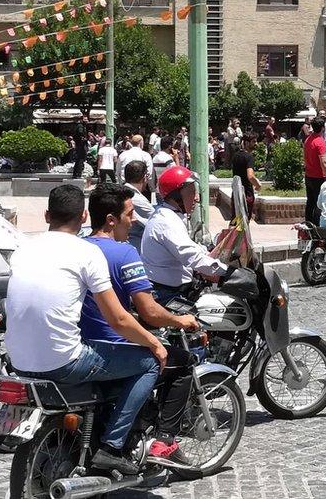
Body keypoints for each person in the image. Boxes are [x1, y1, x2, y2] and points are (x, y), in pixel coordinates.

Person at [3, 185, 168, 475]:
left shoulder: (22, 249)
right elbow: (118, 319)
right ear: (83, 216)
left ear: (46, 215)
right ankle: (111, 447)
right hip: (64, 361)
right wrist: (153, 342)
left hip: (17, 361)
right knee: (149, 363)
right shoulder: (87, 252)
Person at [80, 183, 201, 465]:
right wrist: (180, 320)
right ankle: (163, 441)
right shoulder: (125, 254)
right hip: (111, 345)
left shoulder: (79, 247)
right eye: (130, 214)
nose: (134, 221)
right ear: (112, 219)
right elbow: (149, 312)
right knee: (179, 361)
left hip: (80, 345)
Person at [142, 166, 231, 304]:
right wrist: (230, 273)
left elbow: (190, 247)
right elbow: (191, 256)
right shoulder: (166, 222)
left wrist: (208, 250)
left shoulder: (170, 215)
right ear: (176, 196)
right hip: (166, 294)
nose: (196, 198)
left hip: (175, 288)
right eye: (191, 192)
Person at [303, 117, 326, 224]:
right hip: (318, 177)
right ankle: (316, 226)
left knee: (310, 202)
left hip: (308, 175)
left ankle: (308, 224)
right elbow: (323, 161)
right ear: (323, 128)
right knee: (319, 203)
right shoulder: (320, 141)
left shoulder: (307, 140)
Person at [123, 161, 154, 253]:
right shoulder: (137, 199)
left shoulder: (126, 192)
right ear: (144, 177)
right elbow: (156, 222)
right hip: (135, 246)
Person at [232, 132, 262, 221]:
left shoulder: (236, 156)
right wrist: (258, 185)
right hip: (246, 195)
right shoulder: (249, 157)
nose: (256, 144)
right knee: (244, 223)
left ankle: (231, 235)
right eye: (253, 142)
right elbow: (250, 176)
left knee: (234, 221)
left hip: (236, 193)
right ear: (246, 142)